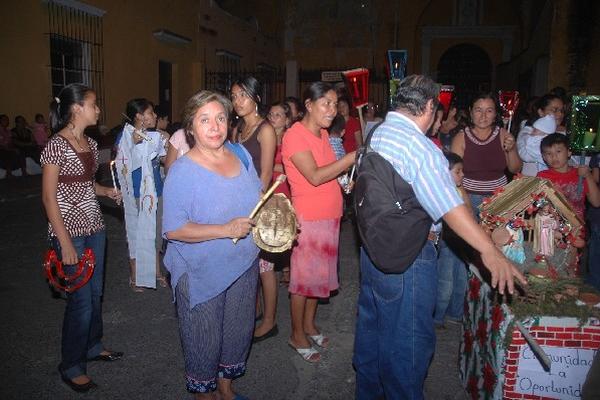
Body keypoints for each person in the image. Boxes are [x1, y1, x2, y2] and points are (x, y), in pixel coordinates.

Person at [352, 75, 527, 399]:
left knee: (373, 337)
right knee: (408, 350)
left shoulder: (378, 132)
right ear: (431, 107)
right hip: (410, 259)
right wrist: (490, 251)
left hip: (374, 250)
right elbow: (449, 207)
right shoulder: (421, 149)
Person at [162, 90, 261, 399]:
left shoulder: (241, 155)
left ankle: (226, 389)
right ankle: (205, 393)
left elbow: (258, 200)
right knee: (203, 342)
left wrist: (278, 219)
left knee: (236, 334)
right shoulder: (182, 171)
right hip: (201, 273)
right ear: (190, 127)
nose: (215, 126)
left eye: (220, 118)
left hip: (243, 264)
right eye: (204, 119)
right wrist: (224, 229)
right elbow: (173, 230)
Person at [41, 83, 123, 393]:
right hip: (70, 232)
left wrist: (106, 191)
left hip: (94, 226)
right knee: (80, 301)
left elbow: (86, 186)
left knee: (95, 292)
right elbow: (49, 198)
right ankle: (71, 364)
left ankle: (93, 345)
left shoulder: (88, 141)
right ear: (77, 108)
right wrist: (63, 243)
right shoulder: (55, 145)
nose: (98, 109)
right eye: (93, 104)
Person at [281, 82, 356, 362]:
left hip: (329, 214)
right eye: (325, 103)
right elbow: (313, 175)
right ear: (308, 105)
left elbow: (328, 172)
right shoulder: (294, 136)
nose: (332, 109)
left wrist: (344, 181)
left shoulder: (323, 134)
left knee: (318, 278)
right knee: (302, 281)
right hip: (308, 218)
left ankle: (309, 325)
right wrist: (349, 159)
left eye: (335, 104)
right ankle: (296, 334)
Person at [114, 98, 168, 291]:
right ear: (139, 116)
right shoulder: (126, 136)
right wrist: (134, 144)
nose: (154, 116)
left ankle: (155, 271)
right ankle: (135, 274)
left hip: (156, 190)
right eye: (150, 112)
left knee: (155, 232)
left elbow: (162, 160)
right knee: (137, 232)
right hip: (137, 192)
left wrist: (166, 143)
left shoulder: (153, 135)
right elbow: (123, 164)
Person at [451, 93, 522, 215]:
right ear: (471, 112)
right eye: (478, 110)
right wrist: (467, 204)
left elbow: (515, 169)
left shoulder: (503, 135)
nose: (483, 116)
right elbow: (453, 175)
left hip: (499, 197)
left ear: (495, 114)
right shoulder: (461, 138)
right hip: (468, 196)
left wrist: (511, 149)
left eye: (489, 111)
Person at [434, 152, 470, 328]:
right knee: (445, 281)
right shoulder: (437, 191)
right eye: (458, 171)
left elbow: (468, 211)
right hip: (447, 241)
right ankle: (437, 317)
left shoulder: (458, 190)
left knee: (461, 278)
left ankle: (455, 313)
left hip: (461, 240)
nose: (462, 175)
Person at [537, 133, 600, 228]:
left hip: (577, 230)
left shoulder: (580, 174)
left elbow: (596, 202)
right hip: (551, 229)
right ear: (543, 157)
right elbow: (538, 205)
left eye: (558, 151)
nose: (554, 157)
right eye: (549, 153)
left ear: (569, 152)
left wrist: (588, 176)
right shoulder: (542, 176)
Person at [265, 101, 292, 289]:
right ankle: (270, 266)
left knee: (283, 228)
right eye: (271, 114)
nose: (273, 118)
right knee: (267, 229)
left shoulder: (290, 139)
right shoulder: (264, 136)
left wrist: (271, 166)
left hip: (284, 188)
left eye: (278, 115)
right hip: (267, 187)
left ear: (286, 120)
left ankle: (287, 267)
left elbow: (293, 167)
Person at [517, 94, 566, 176]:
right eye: (554, 110)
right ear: (541, 112)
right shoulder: (528, 132)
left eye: (562, 111)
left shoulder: (565, 132)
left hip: (559, 182)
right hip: (532, 182)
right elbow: (527, 154)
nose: (560, 114)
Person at [587, 154, 600, 290]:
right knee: (596, 257)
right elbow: (595, 178)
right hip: (598, 216)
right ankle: (594, 293)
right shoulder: (597, 156)